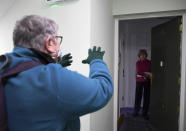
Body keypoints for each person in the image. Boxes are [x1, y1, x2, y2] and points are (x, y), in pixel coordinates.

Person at [0, 15, 113, 131]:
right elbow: (103, 89)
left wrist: (55, 65)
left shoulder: (4, 66)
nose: (59, 45)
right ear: (49, 43)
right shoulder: (53, 78)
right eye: (57, 39)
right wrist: (97, 61)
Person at [133, 49, 151, 120]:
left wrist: (146, 74)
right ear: (139, 56)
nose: (142, 56)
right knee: (138, 96)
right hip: (139, 81)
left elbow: (149, 70)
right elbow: (139, 71)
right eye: (141, 55)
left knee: (146, 97)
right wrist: (146, 73)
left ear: (146, 55)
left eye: (143, 55)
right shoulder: (137, 63)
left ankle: (145, 113)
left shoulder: (149, 62)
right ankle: (136, 111)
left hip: (147, 81)